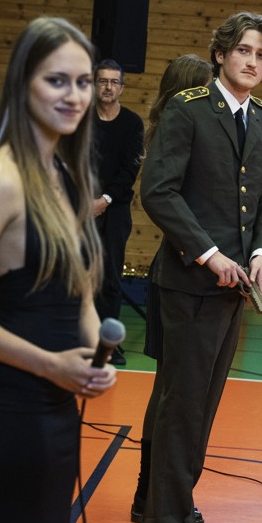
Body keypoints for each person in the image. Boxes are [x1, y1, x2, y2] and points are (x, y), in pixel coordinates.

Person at [0, 17, 117, 523]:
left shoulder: (67, 175)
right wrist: (49, 364)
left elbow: (80, 295)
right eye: (57, 80)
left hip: (55, 406)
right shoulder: (0, 178)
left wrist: (93, 360)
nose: (74, 96)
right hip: (6, 408)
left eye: (83, 82)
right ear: (22, 84)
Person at [139, 11, 262, 523]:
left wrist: (261, 254)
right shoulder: (189, 108)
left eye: (261, 55)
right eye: (243, 50)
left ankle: (170, 504)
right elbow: (158, 192)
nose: (252, 61)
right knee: (182, 406)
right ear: (220, 54)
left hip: (235, 289)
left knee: (202, 406)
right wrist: (210, 254)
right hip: (189, 283)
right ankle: (166, 514)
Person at [130, 53, 213, 523]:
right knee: (171, 393)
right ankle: (152, 494)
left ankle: (150, 493)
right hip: (180, 274)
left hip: (179, 270)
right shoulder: (178, 131)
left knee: (169, 391)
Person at [90, 58, 145, 365]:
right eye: (103, 81)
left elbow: (130, 170)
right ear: (94, 85)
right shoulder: (81, 119)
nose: (108, 87)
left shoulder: (132, 124)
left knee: (110, 278)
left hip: (115, 209)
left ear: (122, 87)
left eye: (114, 82)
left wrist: (105, 199)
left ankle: (106, 345)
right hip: (80, 208)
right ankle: (78, 338)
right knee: (78, 275)